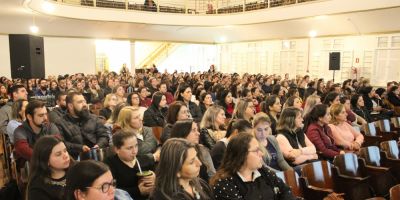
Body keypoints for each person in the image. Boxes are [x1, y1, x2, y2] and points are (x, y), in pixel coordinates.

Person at [211, 133, 295, 200]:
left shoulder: (263, 172)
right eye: (256, 150)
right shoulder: (224, 183)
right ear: (242, 155)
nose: (261, 153)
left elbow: (286, 191)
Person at [55, 92, 109, 158]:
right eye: (80, 102)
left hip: (97, 155)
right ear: (70, 106)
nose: (84, 104)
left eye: (84, 101)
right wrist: (80, 148)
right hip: (74, 158)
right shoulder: (60, 123)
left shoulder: (94, 118)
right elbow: (61, 143)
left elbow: (104, 136)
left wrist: (99, 145)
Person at [105, 131, 155, 200]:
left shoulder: (143, 159)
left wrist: (155, 178)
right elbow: (111, 191)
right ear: (117, 149)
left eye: (136, 146)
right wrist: (138, 191)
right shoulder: (109, 165)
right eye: (129, 148)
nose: (134, 151)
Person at [27, 136, 72, 200]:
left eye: (65, 150)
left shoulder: (76, 171)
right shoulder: (38, 188)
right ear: (46, 160)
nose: (66, 156)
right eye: (58, 154)